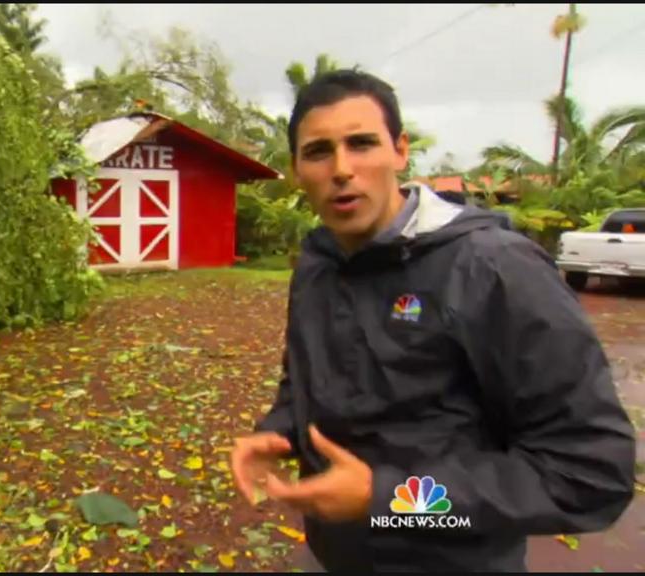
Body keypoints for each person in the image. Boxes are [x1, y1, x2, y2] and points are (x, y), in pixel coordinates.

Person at [230, 69, 637, 572]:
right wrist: (278, 431)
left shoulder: (494, 269)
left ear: (400, 150)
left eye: (361, 144)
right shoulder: (318, 263)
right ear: (295, 168)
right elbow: (307, 382)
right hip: (330, 554)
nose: (341, 169)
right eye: (318, 151)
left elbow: (590, 476)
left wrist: (387, 501)